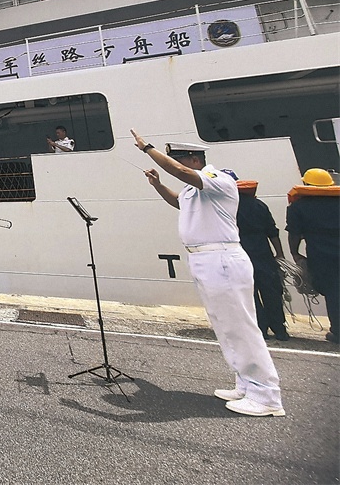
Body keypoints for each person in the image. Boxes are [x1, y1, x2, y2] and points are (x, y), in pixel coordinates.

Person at [131, 131, 284, 416]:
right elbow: (178, 201)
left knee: (241, 327)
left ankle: (266, 396)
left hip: (221, 257)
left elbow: (179, 172)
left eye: (180, 160)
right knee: (225, 326)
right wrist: (158, 185)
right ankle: (246, 384)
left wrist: (147, 148)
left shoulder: (219, 179)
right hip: (204, 259)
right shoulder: (194, 190)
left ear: (194, 159)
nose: (177, 165)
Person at [286, 168, 339, 344]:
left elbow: (294, 233)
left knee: (333, 292)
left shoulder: (298, 207)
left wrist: (295, 253)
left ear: (306, 184)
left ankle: (338, 332)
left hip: (322, 256)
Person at [233, 176, 288, 341]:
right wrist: (279, 254)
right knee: (272, 291)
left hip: (240, 252)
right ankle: (280, 329)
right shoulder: (260, 205)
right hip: (263, 251)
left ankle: (260, 328)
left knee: (250, 293)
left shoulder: (228, 206)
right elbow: (272, 231)